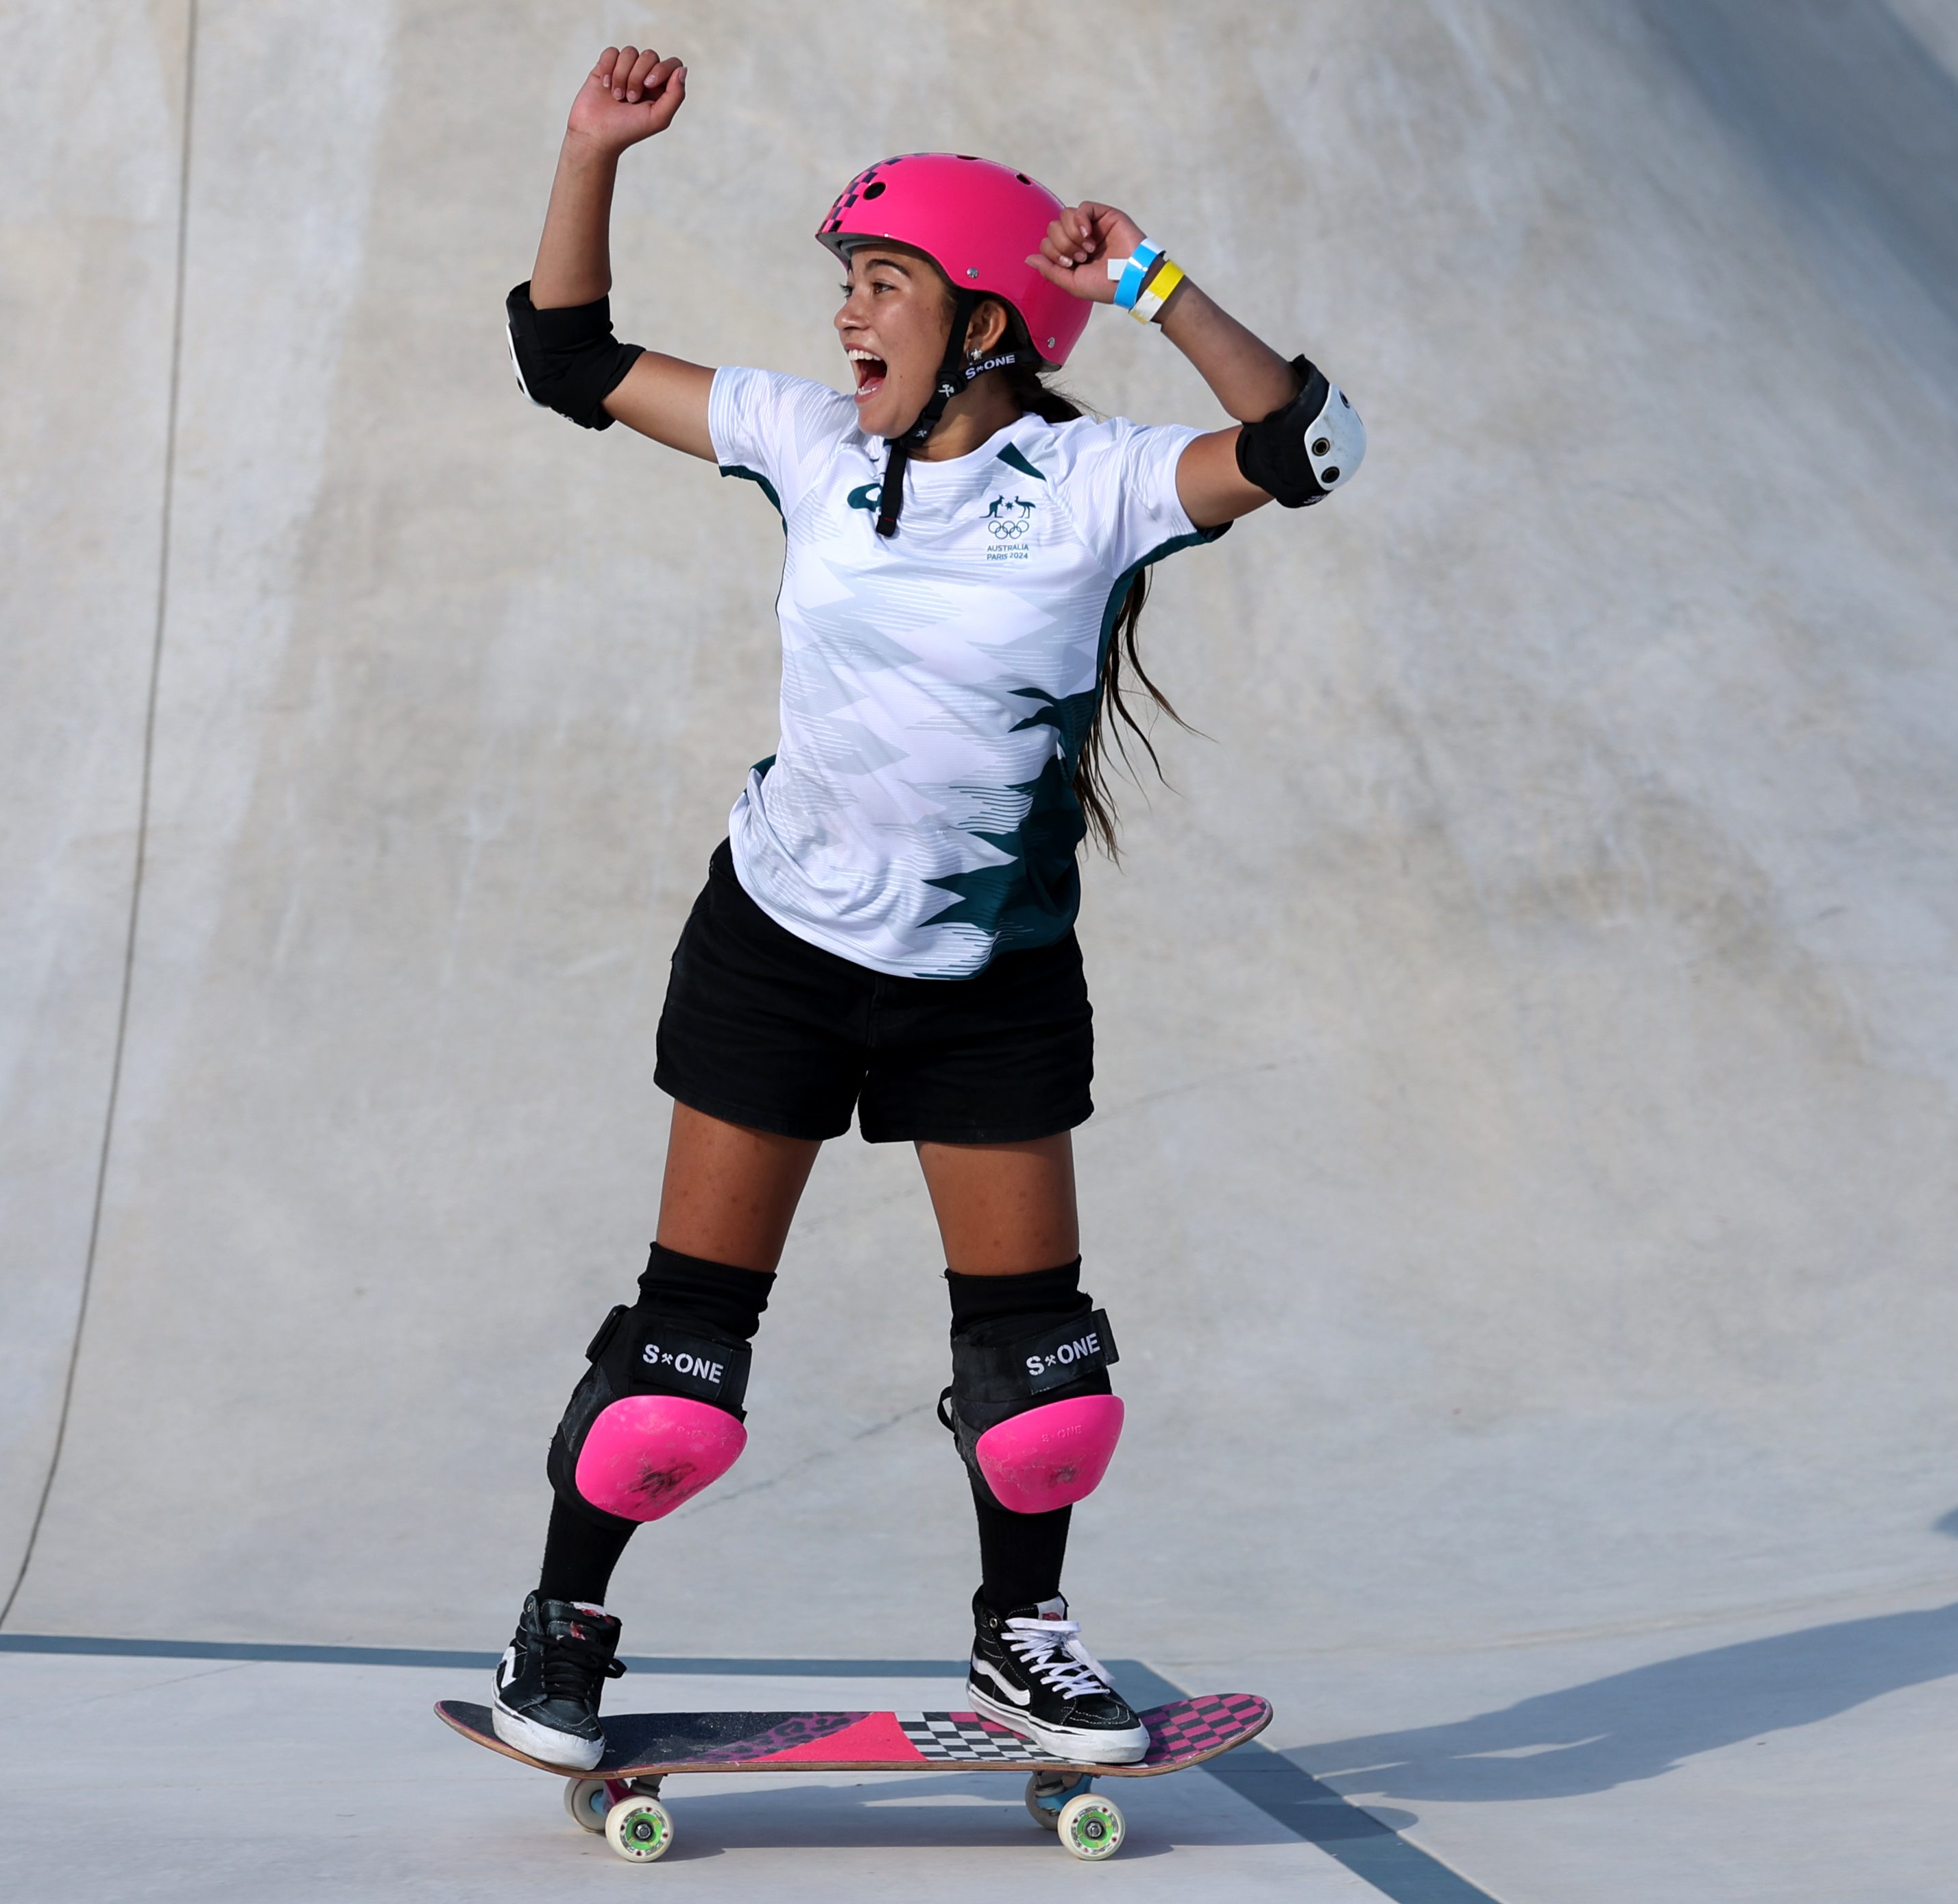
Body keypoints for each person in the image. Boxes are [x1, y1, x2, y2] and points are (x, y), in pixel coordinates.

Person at [483, 43, 1365, 1772]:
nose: (844, 323)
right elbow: (565, 356)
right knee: (675, 1374)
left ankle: (1019, 1641)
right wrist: (589, 148)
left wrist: (1151, 281)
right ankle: (565, 1621)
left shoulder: (1100, 483)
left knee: (1045, 1395)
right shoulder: (809, 443)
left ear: (984, 325)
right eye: (843, 287)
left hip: (988, 979)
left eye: (879, 285)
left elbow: (1303, 441)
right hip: (781, 956)